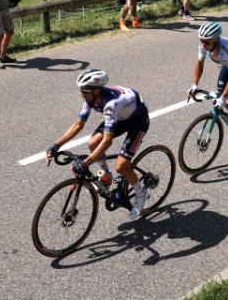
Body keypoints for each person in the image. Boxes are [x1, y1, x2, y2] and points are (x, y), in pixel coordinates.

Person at [46, 69, 151, 220]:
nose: (82, 93)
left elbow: (107, 140)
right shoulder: (89, 98)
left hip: (138, 121)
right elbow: (78, 125)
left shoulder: (110, 104)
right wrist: (56, 146)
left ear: (96, 90)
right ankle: (106, 176)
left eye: (85, 90)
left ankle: (141, 194)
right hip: (121, 117)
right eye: (81, 90)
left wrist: (86, 162)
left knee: (121, 166)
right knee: (92, 142)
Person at [190, 21, 228, 145]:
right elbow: (200, 64)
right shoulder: (204, 45)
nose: (202, 44)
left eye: (206, 42)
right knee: (218, 97)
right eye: (201, 40)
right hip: (227, 64)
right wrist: (194, 85)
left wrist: (224, 99)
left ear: (215, 40)